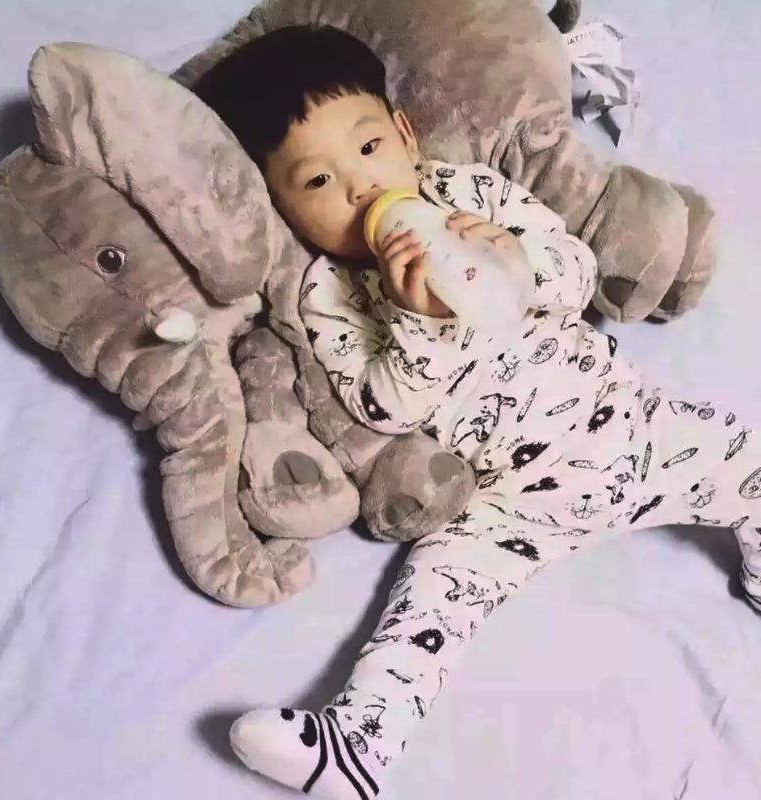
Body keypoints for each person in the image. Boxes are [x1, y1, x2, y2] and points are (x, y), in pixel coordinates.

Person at [192, 24, 761, 800]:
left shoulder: (469, 193)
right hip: (506, 498)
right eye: (317, 181)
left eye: (368, 148)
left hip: (628, 427)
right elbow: (381, 407)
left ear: (405, 135)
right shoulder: (325, 294)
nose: (359, 187)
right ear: (281, 209)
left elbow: (577, 276)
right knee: (430, 597)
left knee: (747, 456)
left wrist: (516, 256)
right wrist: (416, 321)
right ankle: (360, 741)